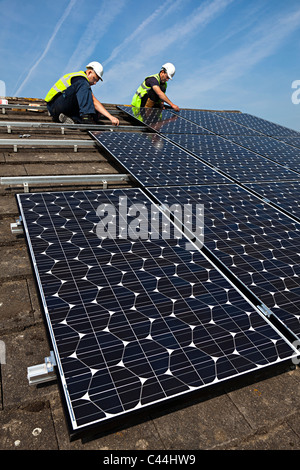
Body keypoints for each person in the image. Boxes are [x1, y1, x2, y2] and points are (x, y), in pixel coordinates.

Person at [45, 61, 119, 126]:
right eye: (94, 79)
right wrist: (110, 117)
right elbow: (93, 100)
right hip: (54, 105)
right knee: (88, 108)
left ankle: (70, 119)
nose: (95, 83)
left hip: (64, 106)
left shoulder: (82, 84)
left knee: (95, 113)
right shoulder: (80, 79)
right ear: (89, 72)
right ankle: (85, 118)